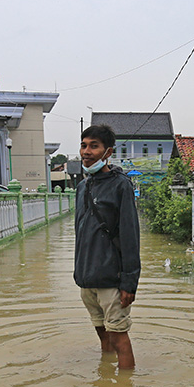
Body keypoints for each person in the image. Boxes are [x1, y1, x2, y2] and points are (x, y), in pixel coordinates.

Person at [74, 124, 141, 370]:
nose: (87, 151)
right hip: (88, 279)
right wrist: (79, 275)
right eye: (84, 145)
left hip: (112, 279)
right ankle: (106, 382)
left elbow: (130, 235)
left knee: (119, 338)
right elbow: (80, 235)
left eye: (94, 146)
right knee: (103, 334)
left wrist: (129, 282)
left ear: (107, 152)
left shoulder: (120, 185)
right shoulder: (82, 187)